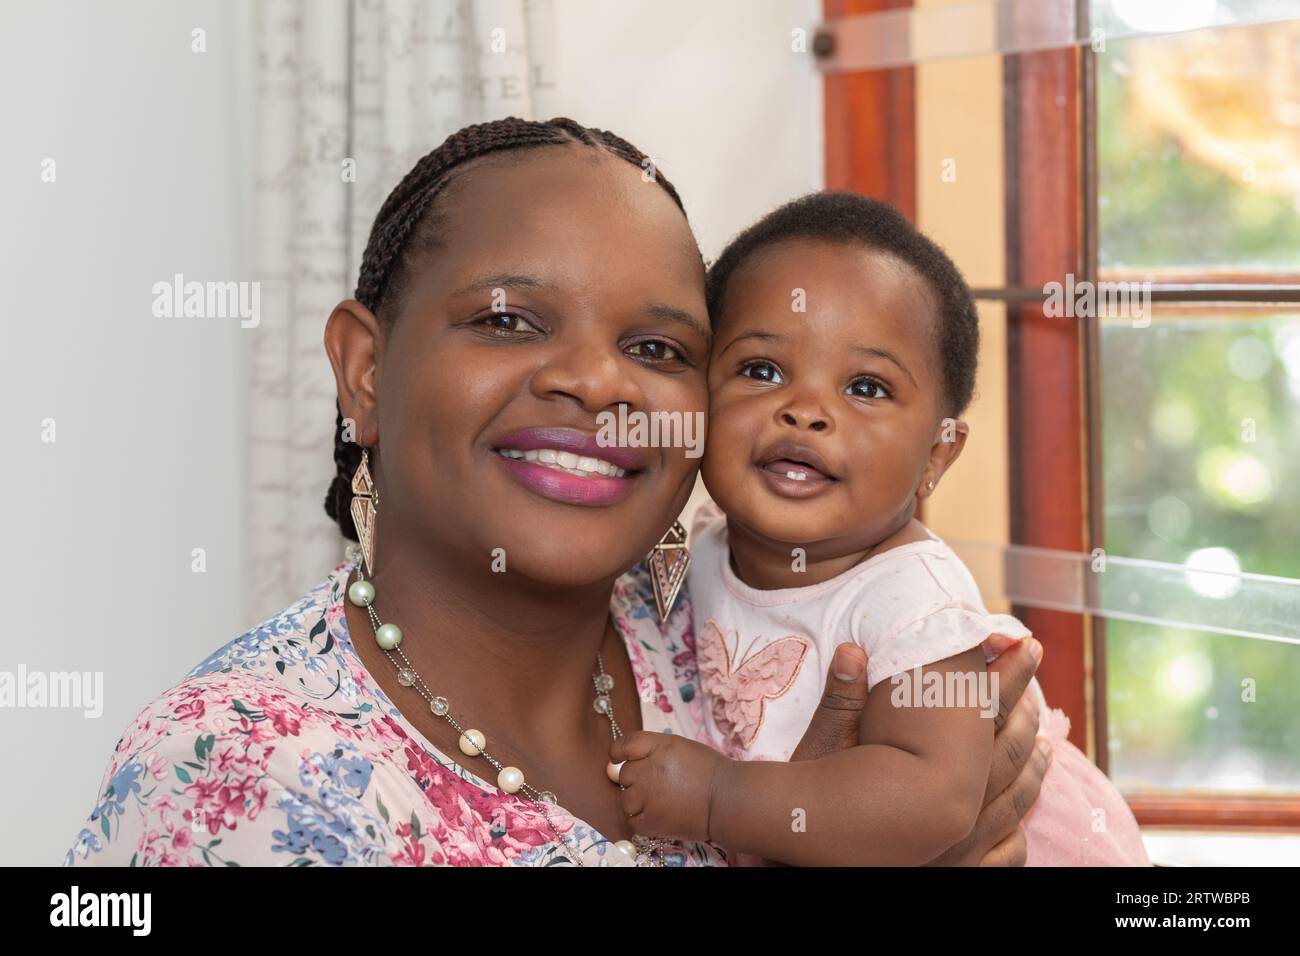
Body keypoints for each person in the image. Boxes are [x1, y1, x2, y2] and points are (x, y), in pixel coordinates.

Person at [64, 118, 1048, 867]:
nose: (598, 382)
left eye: (656, 348)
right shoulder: (240, 770)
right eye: (508, 319)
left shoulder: (712, 628)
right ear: (365, 371)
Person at [609, 192, 1149, 866]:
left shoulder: (908, 594)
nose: (804, 411)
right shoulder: (705, 545)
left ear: (936, 456)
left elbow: (931, 801)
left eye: (865, 388)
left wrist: (721, 796)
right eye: (761, 370)